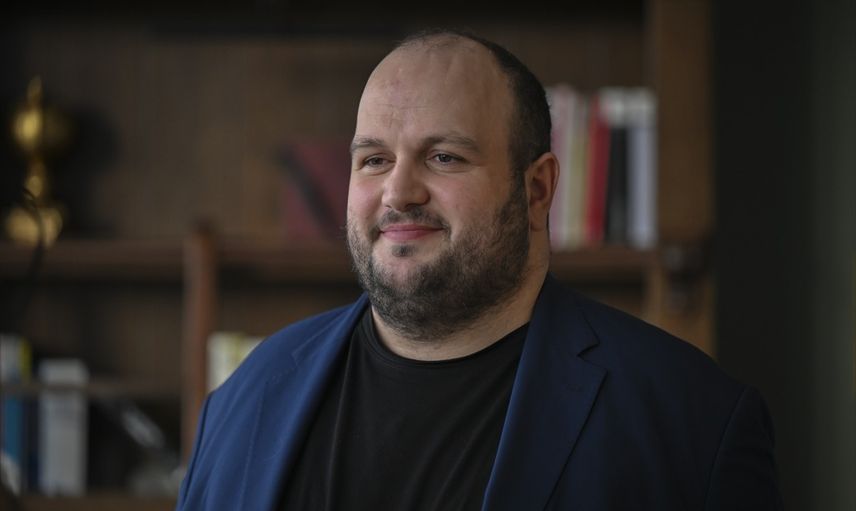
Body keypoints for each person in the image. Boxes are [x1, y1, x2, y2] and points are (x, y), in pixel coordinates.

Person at [176, 29, 782, 510]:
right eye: (374, 159)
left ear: (537, 190)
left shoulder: (694, 422)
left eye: (444, 157)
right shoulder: (245, 398)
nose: (399, 192)